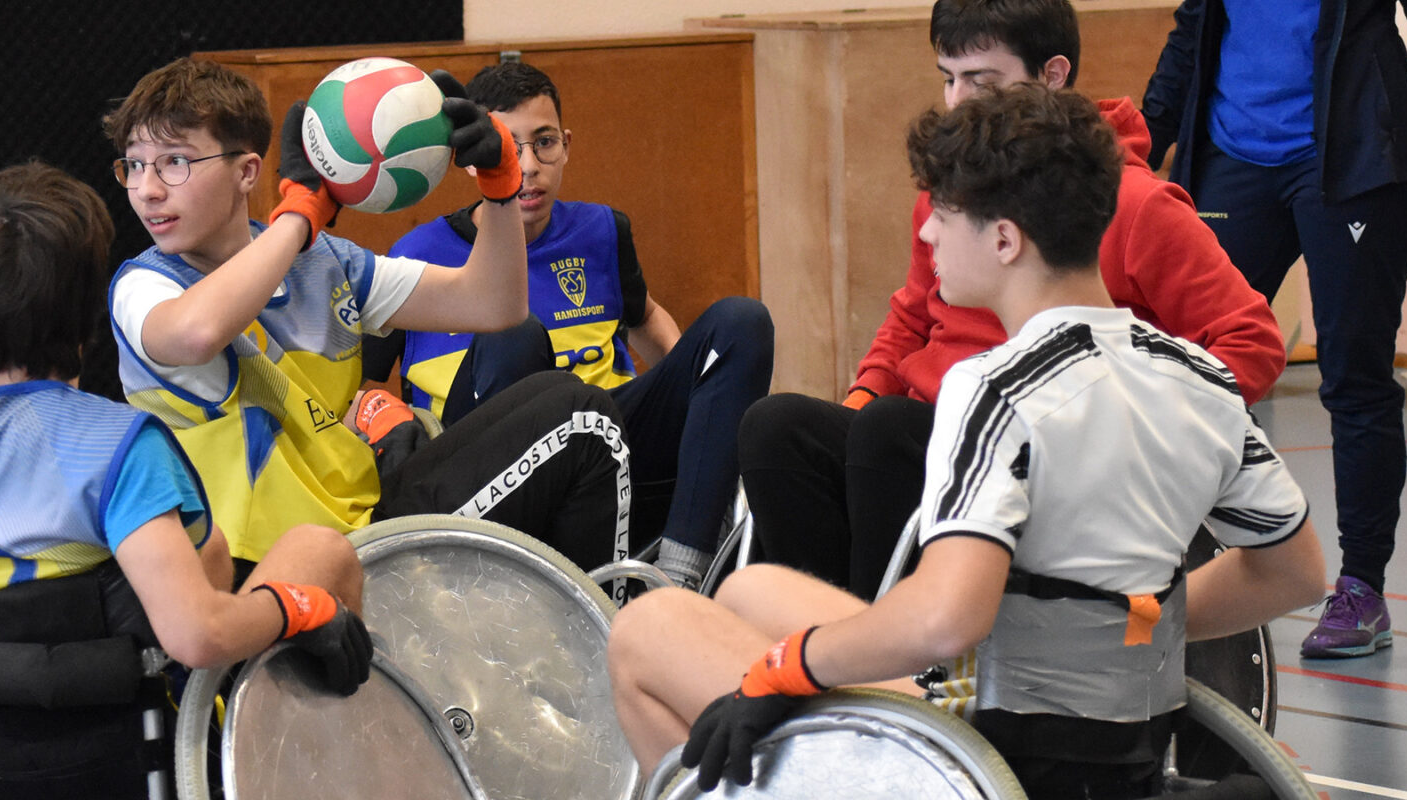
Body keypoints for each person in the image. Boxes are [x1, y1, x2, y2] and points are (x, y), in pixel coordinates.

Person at [608, 84, 1328, 798]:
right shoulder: (1199, 377)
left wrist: (786, 668)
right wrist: (1129, 623)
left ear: (1005, 240)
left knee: (646, 629)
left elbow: (948, 616)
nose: (926, 236)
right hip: (1114, 753)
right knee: (751, 587)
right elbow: (1291, 575)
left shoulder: (995, 386)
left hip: (990, 768)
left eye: (943, 216)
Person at [0, 163, 370, 796]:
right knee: (315, 552)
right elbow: (197, 636)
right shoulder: (119, 446)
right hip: (144, 761)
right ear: (87, 306)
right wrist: (299, 608)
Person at [740, 0, 1284, 593]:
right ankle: (826, 632)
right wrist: (863, 394)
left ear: (1052, 74)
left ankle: (892, 657)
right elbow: (914, 315)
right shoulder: (946, 194)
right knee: (779, 425)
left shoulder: (1134, 203)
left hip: (1045, 445)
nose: (956, 100)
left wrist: (1148, 429)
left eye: (981, 80)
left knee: (889, 431)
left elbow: (1251, 339)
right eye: (948, 78)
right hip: (934, 420)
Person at [104, 58, 632, 574]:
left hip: (369, 522)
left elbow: (496, 305)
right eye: (134, 164)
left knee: (577, 406)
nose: (148, 189)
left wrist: (499, 186)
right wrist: (299, 219)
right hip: (273, 568)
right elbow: (197, 333)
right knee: (585, 419)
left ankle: (575, 641)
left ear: (246, 171)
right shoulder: (144, 285)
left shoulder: (327, 262)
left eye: (174, 162)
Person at [1141, 0, 1407, 658]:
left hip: (1353, 160)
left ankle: (1361, 589)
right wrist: (1136, 148)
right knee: (1182, 371)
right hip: (1230, 159)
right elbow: (1194, 31)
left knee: (1354, 376)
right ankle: (1165, 563)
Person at [375, 62, 775, 587]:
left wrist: (692, 387)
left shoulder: (602, 231)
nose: (529, 165)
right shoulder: (416, 255)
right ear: (470, 160)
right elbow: (358, 380)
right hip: (490, 464)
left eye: (544, 143)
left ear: (566, 144)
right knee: (514, 334)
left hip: (612, 436)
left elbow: (646, 315)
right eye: (506, 146)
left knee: (742, 323)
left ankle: (679, 581)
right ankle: (530, 591)